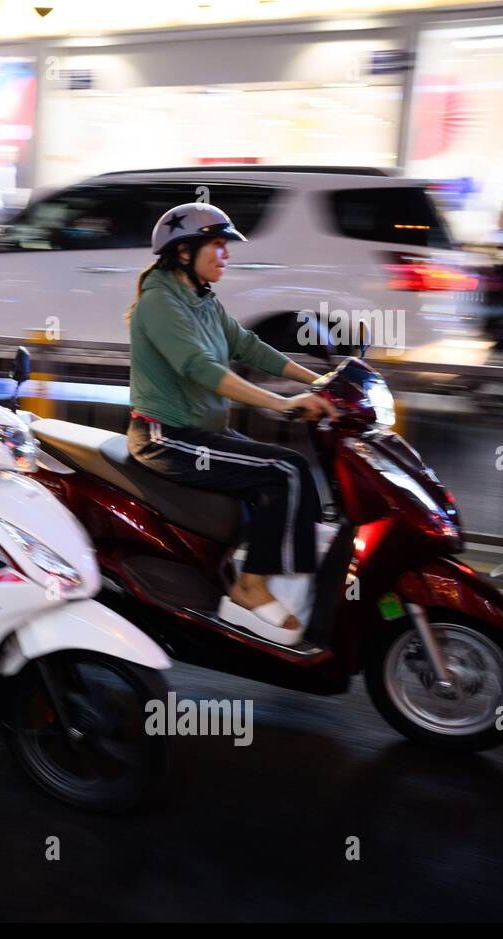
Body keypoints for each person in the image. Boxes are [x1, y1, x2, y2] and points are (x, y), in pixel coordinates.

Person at [126, 202, 339, 646]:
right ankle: (251, 587)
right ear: (184, 252)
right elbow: (201, 369)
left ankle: (283, 577)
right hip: (166, 437)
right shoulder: (159, 303)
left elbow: (247, 346)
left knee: (290, 473)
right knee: (285, 470)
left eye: (226, 247)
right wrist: (282, 405)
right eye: (217, 246)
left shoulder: (202, 299)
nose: (225, 255)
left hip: (204, 432)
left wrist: (319, 379)